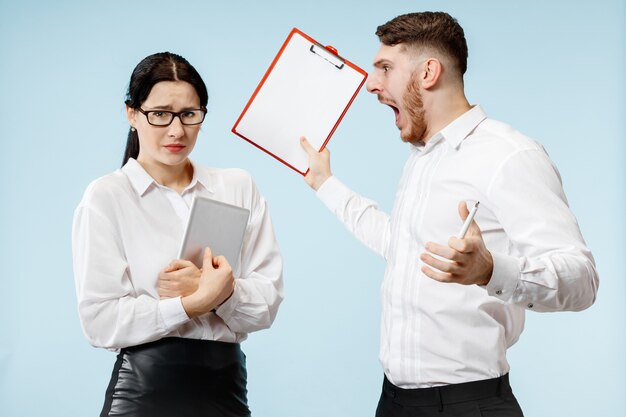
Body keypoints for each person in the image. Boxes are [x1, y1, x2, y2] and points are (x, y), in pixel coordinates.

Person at [300, 12, 598, 417]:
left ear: (428, 72)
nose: (371, 83)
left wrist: (490, 270)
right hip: (394, 402)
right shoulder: (422, 157)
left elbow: (582, 279)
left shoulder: (509, 154)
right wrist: (325, 183)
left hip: (467, 404)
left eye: (385, 68)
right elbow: (401, 245)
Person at [72, 52, 283, 417]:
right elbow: (101, 321)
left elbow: (265, 306)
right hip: (143, 395)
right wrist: (193, 304)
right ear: (132, 114)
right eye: (160, 114)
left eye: (189, 114)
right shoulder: (107, 196)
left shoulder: (236, 186)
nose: (176, 130)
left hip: (226, 391)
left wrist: (222, 291)